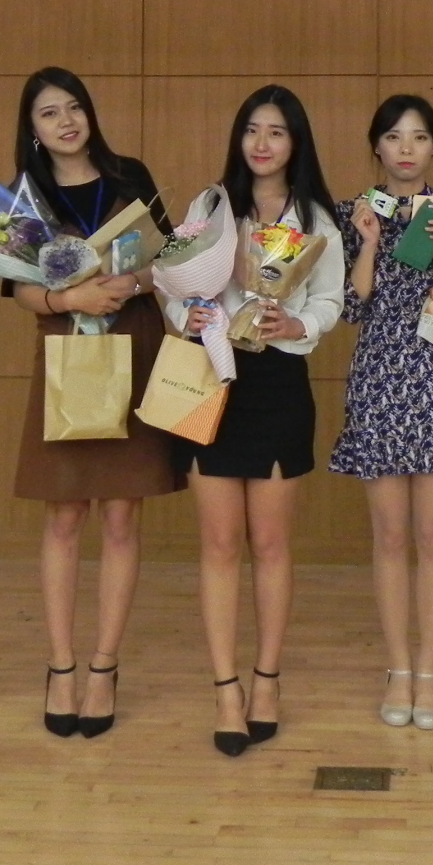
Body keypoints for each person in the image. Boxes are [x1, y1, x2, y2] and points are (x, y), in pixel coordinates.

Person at [158, 85, 343, 757]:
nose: (262, 143)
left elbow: (330, 301)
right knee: (218, 545)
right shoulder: (208, 208)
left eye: (277, 132)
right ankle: (226, 691)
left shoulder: (316, 218)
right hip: (210, 378)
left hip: (278, 384)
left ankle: (267, 680)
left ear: (296, 143)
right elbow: (168, 281)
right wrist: (187, 313)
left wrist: (298, 324)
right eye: (252, 130)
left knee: (269, 544)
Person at [6, 67, 179, 740]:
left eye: (74, 107)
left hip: (132, 344)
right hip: (66, 352)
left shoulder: (129, 175)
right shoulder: (24, 197)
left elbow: (170, 260)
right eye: (50, 113)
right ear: (33, 128)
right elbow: (17, 290)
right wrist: (69, 297)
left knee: (121, 517)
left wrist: (129, 284)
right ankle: (60, 667)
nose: (66, 121)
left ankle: (104, 667)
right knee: (64, 515)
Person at [329, 95, 433, 732]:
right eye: (395, 137)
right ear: (376, 146)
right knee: (390, 537)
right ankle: (398, 668)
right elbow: (350, 307)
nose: (406, 148)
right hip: (379, 382)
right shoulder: (354, 213)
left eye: (420, 137)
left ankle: (429, 671)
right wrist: (368, 243)